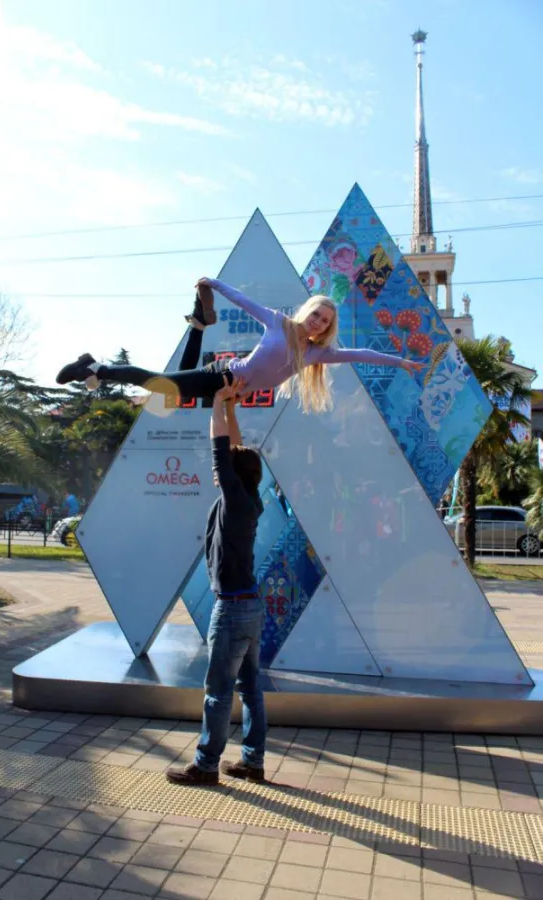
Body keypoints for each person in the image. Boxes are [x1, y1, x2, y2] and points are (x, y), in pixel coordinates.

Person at [56, 279, 424, 414]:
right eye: (316, 315)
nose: (318, 322)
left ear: (326, 329)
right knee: (160, 385)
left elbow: (361, 354)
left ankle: (198, 325)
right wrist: (215, 285)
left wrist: (401, 363)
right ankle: (95, 368)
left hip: (230, 390)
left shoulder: (316, 354)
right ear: (307, 313)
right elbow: (245, 301)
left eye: (325, 322)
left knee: (168, 392)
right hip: (224, 376)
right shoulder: (279, 322)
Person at [166, 377, 267, 786]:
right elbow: (235, 453)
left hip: (232, 609)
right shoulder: (250, 497)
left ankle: (207, 766)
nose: (217, 471)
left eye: (225, 469)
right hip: (251, 606)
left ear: (232, 475)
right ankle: (252, 762)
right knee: (250, 689)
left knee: (218, 692)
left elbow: (222, 452)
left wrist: (216, 402)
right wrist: (232, 410)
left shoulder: (235, 498)